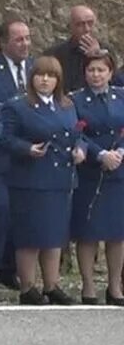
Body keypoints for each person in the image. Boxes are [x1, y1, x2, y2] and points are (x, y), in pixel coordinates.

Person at [0, 56, 85, 305]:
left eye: (50, 75)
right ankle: (27, 286)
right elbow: (4, 139)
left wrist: (79, 149)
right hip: (31, 179)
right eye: (40, 75)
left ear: (58, 80)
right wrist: (26, 148)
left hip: (60, 178)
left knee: (54, 235)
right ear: (31, 78)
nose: (45, 80)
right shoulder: (18, 106)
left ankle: (51, 284)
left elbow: (76, 134)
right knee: (31, 234)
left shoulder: (66, 105)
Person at [69, 52, 124, 304]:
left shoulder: (121, 96)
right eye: (91, 70)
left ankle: (114, 288)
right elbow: (76, 133)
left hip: (118, 170)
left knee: (117, 232)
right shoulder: (75, 101)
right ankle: (88, 287)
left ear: (110, 72)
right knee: (88, 232)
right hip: (90, 171)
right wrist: (100, 154)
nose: (96, 75)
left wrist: (119, 152)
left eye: (101, 70)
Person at [0, 17, 35, 287]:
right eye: (19, 39)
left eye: (27, 38)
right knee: (0, 212)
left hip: (29, 154)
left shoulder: (35, 67)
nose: (25, 44)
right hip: (2, 151)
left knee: (22, 214)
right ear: (4, 42)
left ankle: (13, 270)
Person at [47, 6, 104, 94]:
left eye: (90, 23)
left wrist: (96, 57)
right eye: (80, 24)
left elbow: (113, 83)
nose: (87, 29)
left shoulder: (106, 50)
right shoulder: (55, 54)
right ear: (71, 27)